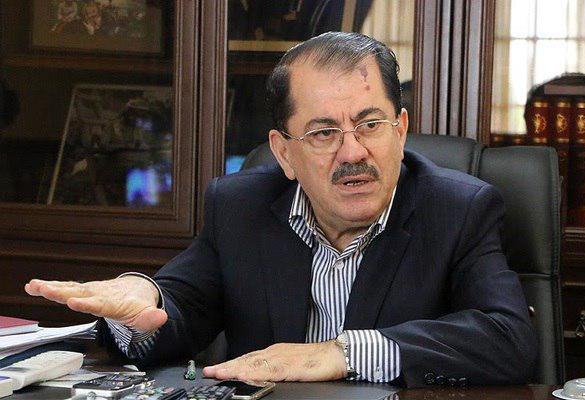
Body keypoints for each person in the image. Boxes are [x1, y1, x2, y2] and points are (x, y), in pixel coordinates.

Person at [25, 32, 537, 387]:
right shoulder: (240, 205)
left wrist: (341, 353)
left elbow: (509, 340)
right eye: (323, 132)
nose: (353, 151)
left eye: (370, 124)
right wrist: (141, 306)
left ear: (400, 131)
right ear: (285, 153)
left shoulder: (459, 209)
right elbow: (180, 307)